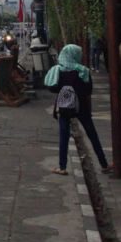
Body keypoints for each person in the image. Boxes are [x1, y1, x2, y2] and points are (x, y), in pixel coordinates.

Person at [46, 43, 113, 176]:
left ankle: (62, 167)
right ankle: (104, 164)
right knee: (92, 135)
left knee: (63, 136)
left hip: (65, 108)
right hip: (82, 107)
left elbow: (52, 88)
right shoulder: (83, 71)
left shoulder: (58, 71)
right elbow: (88, 91)